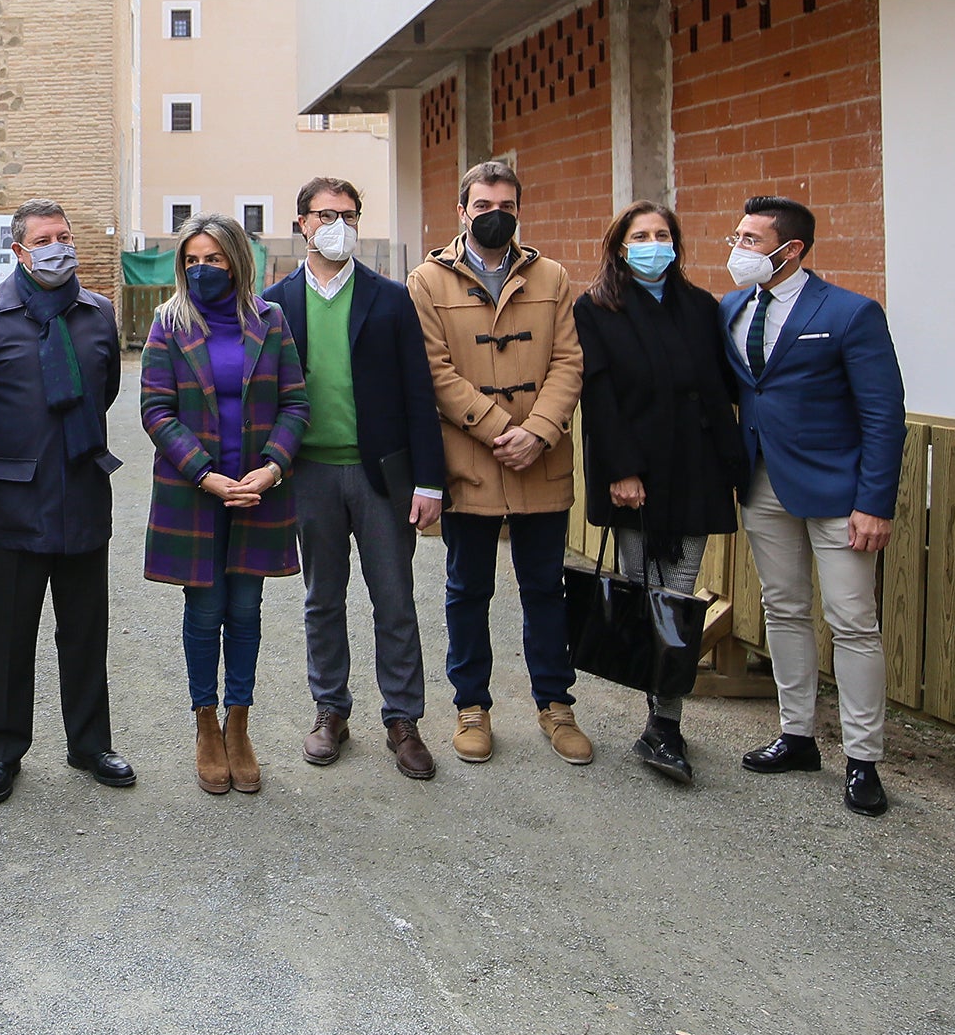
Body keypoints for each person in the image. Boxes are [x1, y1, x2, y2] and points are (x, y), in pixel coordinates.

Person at [719, 195, 907, 817]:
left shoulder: (851, 313)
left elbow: (883, 414)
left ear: (790, 249)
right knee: (784, 608)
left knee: (852, 620)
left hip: (838, 492)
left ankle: (863, 759)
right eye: (738, 237)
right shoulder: (731, 308)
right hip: (762, 485)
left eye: (750, 239)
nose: (738, 249)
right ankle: (796, 736)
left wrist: (874, 502)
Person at [262, 177, 449, 781]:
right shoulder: (276, 303)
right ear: (301, 223)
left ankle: (403, 719)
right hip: (308, 472)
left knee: (394, 599)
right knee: (322, 599)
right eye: (325, 214)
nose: (337, 224)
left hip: (381, 476)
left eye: (348, 213)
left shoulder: (391, 299)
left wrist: (430, 482)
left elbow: (419, 395)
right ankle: (331, 709)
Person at [410, 159, 594, 769]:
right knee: (467, 589)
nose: (496, 215)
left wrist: (537, 431)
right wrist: (498, 429)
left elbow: (569, 361)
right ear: (462, 210)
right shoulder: (427, 283)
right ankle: (471, 707)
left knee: (546, 587)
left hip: (541, 462)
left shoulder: (554, 276)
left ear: (519, 209)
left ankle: (556, 705)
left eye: (507, 206)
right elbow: (434, 371)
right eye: (483, 205)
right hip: (471, 463)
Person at [0, 198, 133, 803]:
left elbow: (102, 391)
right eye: (45, 239)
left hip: (83, 491)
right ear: (19, 251)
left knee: (85, 630)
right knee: (10, 634)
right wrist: (12, 447)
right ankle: (2, 750)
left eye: (65, 235)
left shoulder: (98, 313)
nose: (59, 247)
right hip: (13, 503)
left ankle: (89, 743)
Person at [572, 201, 746, 784]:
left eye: (663, 234)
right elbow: (599, 396)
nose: (653, 244)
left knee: (679, 595)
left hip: (694, 473)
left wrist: (735, 467)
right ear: (619, 246)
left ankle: (665, 723)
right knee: (649, 597)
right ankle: (659, 714)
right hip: (635, 482)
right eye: (641, 235)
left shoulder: (701, 307)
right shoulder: (595, 308)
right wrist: (621, 470)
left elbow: (722, 390)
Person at [139, 213, 310, 795]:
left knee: (244, 611)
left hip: (257, 490)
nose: (202, 269)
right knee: (205, 611)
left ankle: (240, 723)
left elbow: (296, 404)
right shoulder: (168, 323)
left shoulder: (271, 320)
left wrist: (270, 469)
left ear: (236, 260)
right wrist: (208, 476)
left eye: (213, 258)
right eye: (191, 260)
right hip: (197, 492)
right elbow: (157, 413)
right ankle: (206, 723)